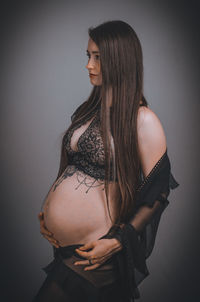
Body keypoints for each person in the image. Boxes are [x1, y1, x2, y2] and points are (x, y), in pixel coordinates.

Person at [33, 20, 179, 302]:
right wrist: (49, 216)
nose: (89, 65)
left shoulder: (143, 120)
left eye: (98, 57)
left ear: (120, 60)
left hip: (96, 255)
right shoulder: (87, 111)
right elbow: (71, 169)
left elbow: (158, 194)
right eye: (88, 56)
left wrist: (116, 242)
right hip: (69, 250)